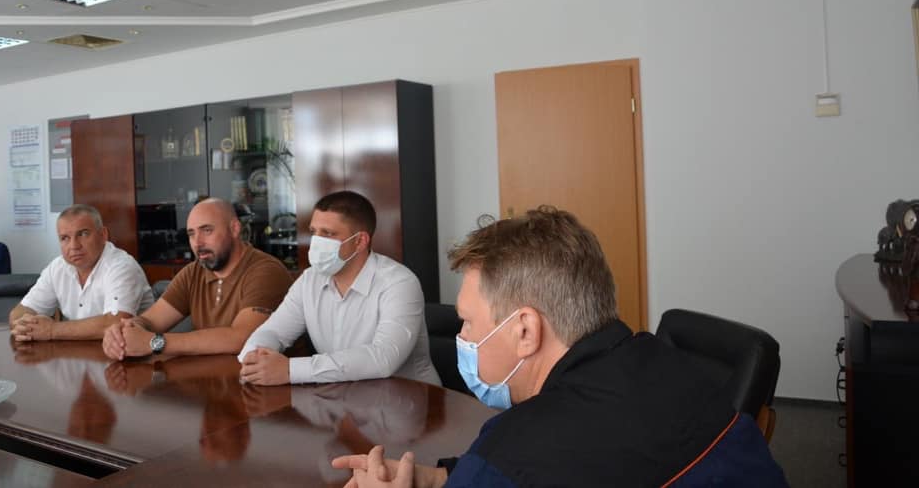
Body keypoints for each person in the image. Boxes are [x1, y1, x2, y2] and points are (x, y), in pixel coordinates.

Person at [332, 207, 787, 487]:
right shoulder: (668, 363)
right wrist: (438, 479)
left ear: (525, 331)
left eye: (468, 322)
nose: (463, 338)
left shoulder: (513, 450)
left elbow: (520, 468)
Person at [238, 190, 439, 386]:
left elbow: (383, 358)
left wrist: (290, 370)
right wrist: (254, 357)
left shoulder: (399, 282)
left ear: (360, 241)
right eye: (314, 232)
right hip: (344, 396)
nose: (316, 241)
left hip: (409, 398)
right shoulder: (309, 280)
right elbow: (274, 331)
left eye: (328, 233)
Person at [102, 198, 292, 360]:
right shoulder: (193, 273)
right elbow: (150, 321)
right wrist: (124, 331)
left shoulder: (266, 271)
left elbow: (242, 338)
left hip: (269, 386)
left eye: (207, 230)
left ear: (234, 228)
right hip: (211, 383)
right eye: (191, 234)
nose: (197, 243)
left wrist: (155, 342)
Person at [9, 205, 154, 341]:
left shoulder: (122, 266)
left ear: (103, 235)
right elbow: (21, 311)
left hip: (130, 354)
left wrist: (52, 330)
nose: (74, 246)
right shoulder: (57, 267)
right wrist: (23, 325)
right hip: (76, 353)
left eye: (83, 234)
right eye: (65, 238)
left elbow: (117, 323)